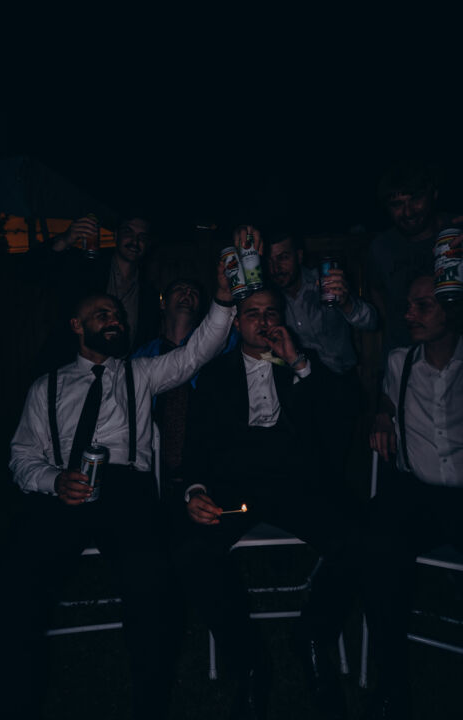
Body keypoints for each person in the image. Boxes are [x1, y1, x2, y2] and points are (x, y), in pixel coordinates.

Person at [0, 256, 236, 720]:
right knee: (10, 582)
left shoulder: (141, 373)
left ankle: (149, 705)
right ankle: (11, 703)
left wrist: (222, 298)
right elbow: (21, 457)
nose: (114, 319)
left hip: (126, 491)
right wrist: (53, 480)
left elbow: (196, 353)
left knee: (153, 586)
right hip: (63, 489)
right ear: (76, 326)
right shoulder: (45, 387)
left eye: (117, 314)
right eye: (101, 314)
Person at [175, 286, 368, 720]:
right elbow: (196, 445)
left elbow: (343, 413)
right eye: (252, 313)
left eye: (271, 312)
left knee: (358, 536)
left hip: (297, 484)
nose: (263, 321)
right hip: (234, 487)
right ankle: (249, 663)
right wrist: (196, 491)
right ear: (236, 323)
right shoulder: (215, 373)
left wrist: (298, 363)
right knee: (191, 551)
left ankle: (312, 636)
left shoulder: (303, 361)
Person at [368, 275, 463, 719]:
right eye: (408, 305)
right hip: (419, 495)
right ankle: (391, 688)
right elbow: (387, 398)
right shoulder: (399, 361)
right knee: (378, 548)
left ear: (452, 307)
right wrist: (382, 414)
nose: (409, 315)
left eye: (422, 306)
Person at [266, 229, 377, 491]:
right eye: (270, 260)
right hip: (299, 392)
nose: (276, 267)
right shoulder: (268, 297)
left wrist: (347, 302)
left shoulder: (326, 280)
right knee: (305, 469)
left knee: (340, 469)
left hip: (340, 386)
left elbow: (372, 321)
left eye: (283, 257)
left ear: (299, 256)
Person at [133, 277, 238, 497]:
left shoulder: (225, 343)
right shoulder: (142, 355)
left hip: (207, 465)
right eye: (179, 289)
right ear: (163, 303)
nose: (187, 293)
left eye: (194, 292)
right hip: (153, 470)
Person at [29, 213, 161, 374]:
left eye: (142, 237)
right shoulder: (86, 267)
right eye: (128, 232)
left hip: (118, 379)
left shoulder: (149, 295)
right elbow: (30, 271)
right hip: (67, 371)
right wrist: (65, 239)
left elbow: (145, 344)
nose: (135, 241)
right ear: (116, 235)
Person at [367, 161, 462, 359]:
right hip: (403, 357)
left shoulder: (456, 232)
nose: (408, 212)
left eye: (416, 199)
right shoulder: (381, 247)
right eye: (397, 204)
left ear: (434, 194)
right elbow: (376, 291)